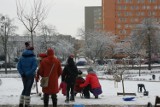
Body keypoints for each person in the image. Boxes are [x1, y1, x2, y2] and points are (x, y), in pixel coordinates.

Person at [17, 43, 38, 107]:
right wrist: (28, 73)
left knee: (25, 88)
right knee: (27, 89)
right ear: (31, 51)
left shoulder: (22, 57)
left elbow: (18, 66)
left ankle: (21, 103)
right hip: (30, 76)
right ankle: (26, 104)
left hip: (23, 76)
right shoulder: (33, 58)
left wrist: (22, 73)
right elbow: (34, 67)